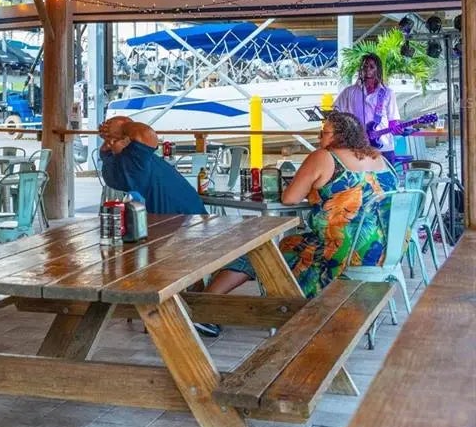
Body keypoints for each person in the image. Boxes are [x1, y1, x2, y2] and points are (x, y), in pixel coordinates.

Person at [198, 112, 401, 336]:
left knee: (263, 250)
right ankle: (283, 300)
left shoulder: (325, 157)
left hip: (339, 253)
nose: (319, 137)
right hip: (384, 252)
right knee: (286, 245)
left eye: (324, 133)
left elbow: (290, 198)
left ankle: (203, 306)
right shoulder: (379, 158)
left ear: (339, 136)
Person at [97, 117, 205, 215]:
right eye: (124, 138)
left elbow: (107, 148)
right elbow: (146, 133)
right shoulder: (134, 163)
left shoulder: (116, 160)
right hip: (182, 219)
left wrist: (117, 130)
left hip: (189, 215)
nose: (128, 139)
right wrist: (123, 127)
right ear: (112, 143)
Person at [333, 53, 403, 160]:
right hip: (357, 147)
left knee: (385, 172)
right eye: (364, 66)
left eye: (371, 67)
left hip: (383, 148)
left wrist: (397, 128)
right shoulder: (349, 92)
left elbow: (393, 121)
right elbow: (335, 113)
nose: (367, 69)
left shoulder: (388, 93)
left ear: (378, 70)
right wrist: (346, 129)